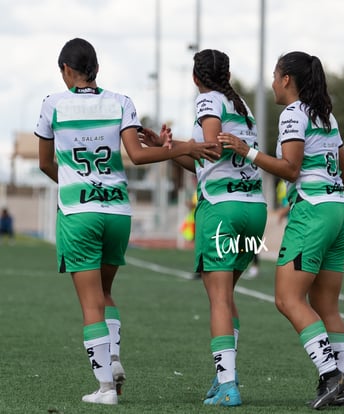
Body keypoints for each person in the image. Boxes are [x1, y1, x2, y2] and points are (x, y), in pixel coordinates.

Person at [34, 38, 218, 406]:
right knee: (104, 293)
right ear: (96, 69)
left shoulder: (52, 104)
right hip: (117, 212)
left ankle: (105, 389)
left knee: (89, 303)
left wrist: (73, 182)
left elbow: (44, 163)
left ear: (67, 71)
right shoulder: (121, 102)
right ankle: (113, 360)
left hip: (79, 213)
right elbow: (136, 154)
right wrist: (184, 148)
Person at [218, 51, 344, 409]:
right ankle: (342, 388)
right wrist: (337, 206)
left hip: (313, 213)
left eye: (275, 76)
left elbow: (291, 169)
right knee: (327, 304)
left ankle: (332, 375)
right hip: (340, 211)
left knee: (287, 299)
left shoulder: (293, 114)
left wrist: (247, 152)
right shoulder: (327, 115)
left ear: (287, 80)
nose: (273, 82)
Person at [144, 49, 267, 406]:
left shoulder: (208, 100)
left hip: (222, 209)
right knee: (226, 297)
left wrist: (176, 144)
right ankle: (223, 376)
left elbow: (209, 148)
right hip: (253, 209)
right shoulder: (241, 105)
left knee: (217, 299)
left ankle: (228, 386)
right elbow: (205, 160)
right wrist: (168, 149)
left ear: (195, 77)